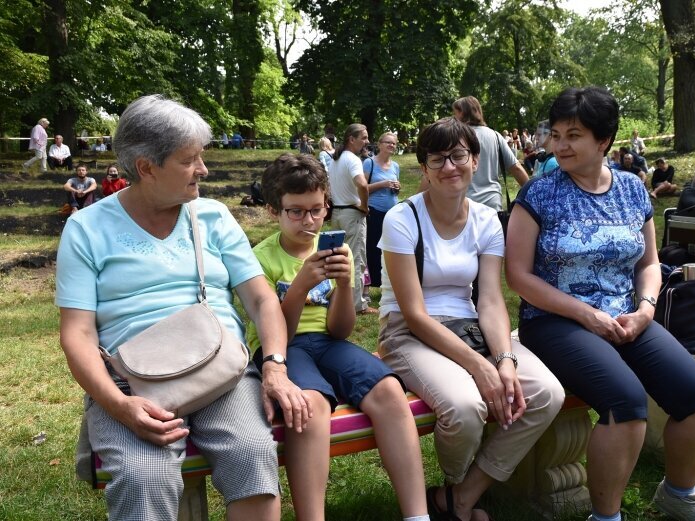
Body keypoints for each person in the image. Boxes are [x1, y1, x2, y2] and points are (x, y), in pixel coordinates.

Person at [56, 95, 293, 520]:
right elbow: (77, 333)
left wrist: (274, 366)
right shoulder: (86, 228)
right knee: (143, 477)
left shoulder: (214, 217)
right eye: (190, 160)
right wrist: (117, 404)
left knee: (254, 454)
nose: (203, 169)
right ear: (146, 167)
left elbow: (260, 299)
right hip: (133, 385)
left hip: (223, 371)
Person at [506, 86, 695, 521]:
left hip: (627, 318)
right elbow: (519, 276)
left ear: (604, 140)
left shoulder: (632, 189)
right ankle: (605, 517)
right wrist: (586, 314)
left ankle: (679, 495)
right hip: (554, 321)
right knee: (625, 402)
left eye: (575, 135)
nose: (560, 145)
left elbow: (649, 262)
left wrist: (645, 309)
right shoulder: (540, 194)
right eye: (557, 134)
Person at [378, 116, 564, 521]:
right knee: (464, 407)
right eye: (437, 159)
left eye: (458, 155)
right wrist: (480, 366)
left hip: (470, 327)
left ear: (475, 160)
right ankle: (455, 484)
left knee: (546, 393)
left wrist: (504, 362)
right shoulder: (402, 219)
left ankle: (460, 496)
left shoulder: (486, 220)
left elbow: (492, 301)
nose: (449, 167)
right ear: (423, 168)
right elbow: (413, 311)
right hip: (409, 332)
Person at [245, 153, 429, 521]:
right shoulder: (260, 259)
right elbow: (279, 332)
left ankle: (417, 515)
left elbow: (341, 330)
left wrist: (345, 285)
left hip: (328, 343)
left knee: (391, 391)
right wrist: (298, 288)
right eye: (295, 211)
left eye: (316, 210)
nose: (308, 221)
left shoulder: (336, 249)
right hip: (281, 348)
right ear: (273, 212)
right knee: (309, 406)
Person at [449, 96, 529, 210]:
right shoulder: (496, 136)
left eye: (455, 113)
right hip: (492, 206)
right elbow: (516, 168)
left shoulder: (454, 138)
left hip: (462, 206)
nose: (453, 117)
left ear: (463, 113)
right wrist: (533, 196)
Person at [329, 123, 376, 314]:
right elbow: (362, 185)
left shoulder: (336, 159)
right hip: (352, 214)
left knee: (339, 259)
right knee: (355, 259)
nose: (367, 141)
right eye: (363, 138)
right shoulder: (353, 160)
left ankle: (339, 300)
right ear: (352, 139)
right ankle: (358, 305)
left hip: (337, 213)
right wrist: (364, 206)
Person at [364, 132, 401, 287]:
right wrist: (383, 184)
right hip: (374, 211)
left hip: (392, 212)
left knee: (390, 247)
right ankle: (374, 281)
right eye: (388, 142)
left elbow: (395, 187)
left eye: (394, 143)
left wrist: (396, 187)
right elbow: (362, 188)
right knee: (373, 247)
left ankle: (388, 279)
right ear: (379, 144)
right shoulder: (369, 163)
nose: (391, 145)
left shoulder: (395, 166)